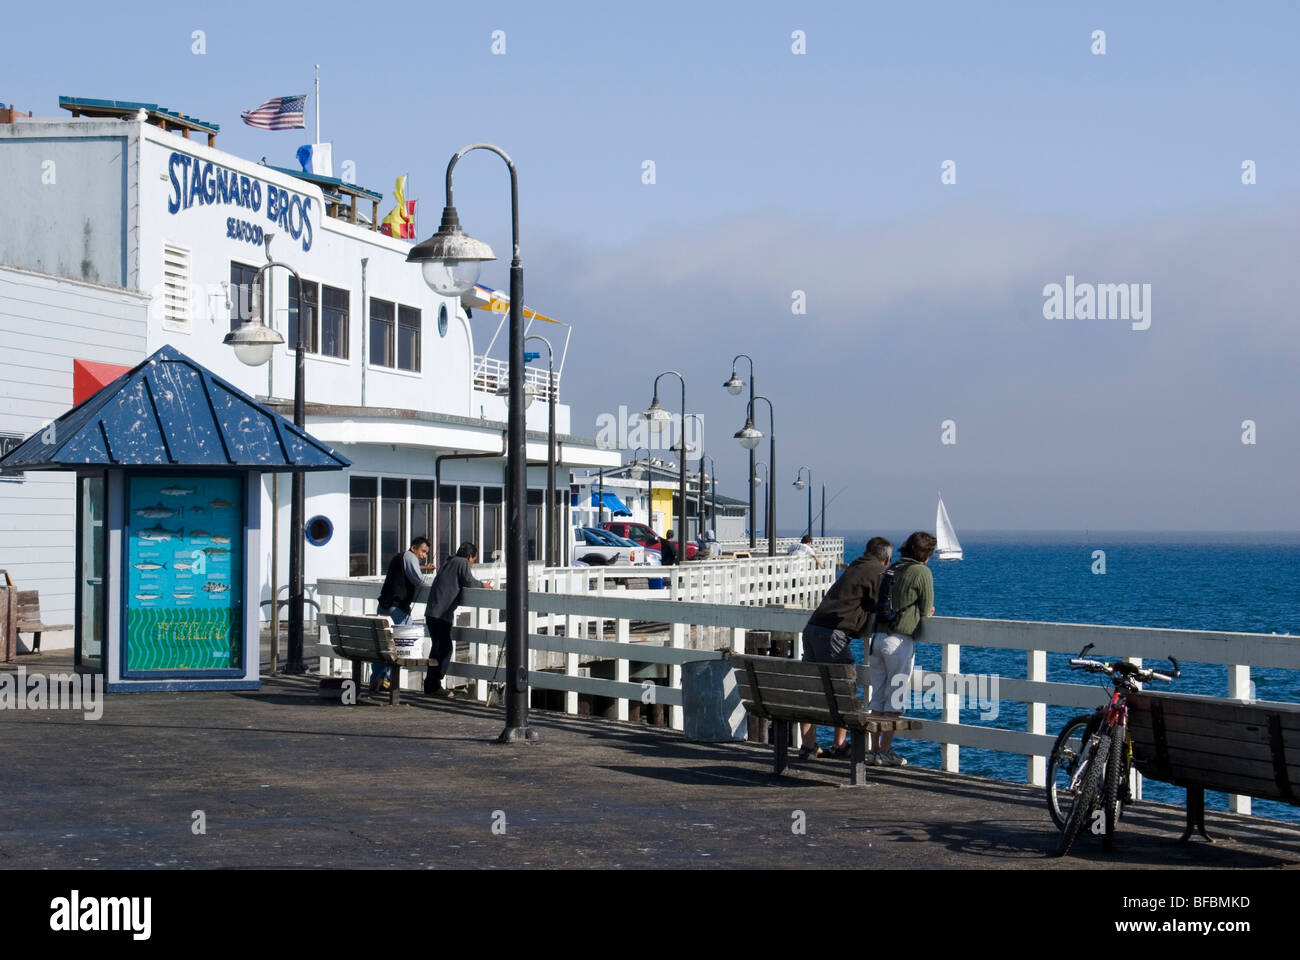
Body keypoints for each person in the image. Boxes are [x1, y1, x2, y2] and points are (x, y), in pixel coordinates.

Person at [798, 537, 893, 760]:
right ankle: (839, 745)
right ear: (886, 559)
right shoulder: (875, 573)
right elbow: (884, 605)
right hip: (833, 633)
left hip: (812, 629)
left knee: (812, 690)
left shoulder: (856, 566)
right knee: (845, 688)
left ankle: (808, 746)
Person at [867, 530, 936, 767]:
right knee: (894, 699)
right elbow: (926, 608)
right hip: (899, 641)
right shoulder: (922, 571)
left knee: (876, 698)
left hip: (876, 639)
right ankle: (884, 751)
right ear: (926, 553)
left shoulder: (892, 568)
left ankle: (873, 750)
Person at [423, 542, 487, 698]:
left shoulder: (449, 561)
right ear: (470, 556)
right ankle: (434, 685)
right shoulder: (462, 562)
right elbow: (469, 581)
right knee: (445, 649)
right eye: (474, 559)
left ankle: (431, 685)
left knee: (437, 648)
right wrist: (484, 585)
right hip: (441, 614)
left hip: (432, 612)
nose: (473, 563)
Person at [372, 536, 434, 692]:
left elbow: (410, 570)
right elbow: (418, 579)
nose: (423, 556)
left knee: (384, 645)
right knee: (404, 644)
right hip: (397, 608)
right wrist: (436, 584)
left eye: (426, 553)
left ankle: (376, 679)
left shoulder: (400, 557)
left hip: (383, 606)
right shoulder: (409, 556)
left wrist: (425, 567)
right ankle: (387, 681)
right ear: (414, 548)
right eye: (423, 551)